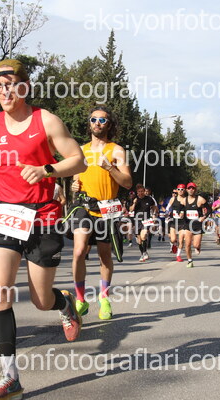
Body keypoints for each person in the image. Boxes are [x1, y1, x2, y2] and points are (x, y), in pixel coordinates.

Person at [0, 59, 86, 400]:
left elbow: (78, 160)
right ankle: (10, 377)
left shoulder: (46, 120)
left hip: (43, 216)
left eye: (11, 85)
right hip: (4, 213)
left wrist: (46, 170)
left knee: (40, 299)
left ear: (25, 86)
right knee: (0, 291)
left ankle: (64, 303)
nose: (4, 92)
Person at [68, 106, 132, 320]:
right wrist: (74, 186)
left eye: (102, 120)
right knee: (79, 251)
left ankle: (104, 297)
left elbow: (128, 182)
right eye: (93, 119)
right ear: (89, 123)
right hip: (84, 206)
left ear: (109, 124)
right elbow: (76, 178)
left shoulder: (116, 150)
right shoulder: (81, 150)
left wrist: (110, 168)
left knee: (105, 256)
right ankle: (80, 299)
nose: (97, 123)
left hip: (107, 209)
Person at [183, 182, 210, 268]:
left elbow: (209, 209)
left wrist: (204, 217)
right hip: (187, 225)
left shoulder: (200, 199)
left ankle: (198, 246)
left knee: (196, 245)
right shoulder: (184, 200)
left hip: (198, 225)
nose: (191, 190)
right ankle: (189, 261)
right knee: (187, 244)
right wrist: (180, 214)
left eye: (193, 188)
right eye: (189, 188)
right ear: (187, 190)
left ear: (195, 190)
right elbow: (179, 209)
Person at [130, 184, 158, 262]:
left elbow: (154, 207)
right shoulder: (135, 199)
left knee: (144, 235)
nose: (141, 193)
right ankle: (143, 253)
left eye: (142, 191)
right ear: (137, 192)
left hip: (146, 220)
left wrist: (154, 215)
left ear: (144, 191)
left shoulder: (149, 199)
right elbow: (131, 210)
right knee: (139, 240)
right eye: (139, 192)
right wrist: (134, 203)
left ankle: (144, 252)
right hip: (137, 220)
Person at [167, 184, 188, 262]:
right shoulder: (173, 199)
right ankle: (174, 244)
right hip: (174, 222)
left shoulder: (186, 200)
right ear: (176, 190)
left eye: (182, 189)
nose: (180, 191)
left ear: (184, 190)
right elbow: (167, 208)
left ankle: (178, 255)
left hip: (183, 223)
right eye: (179, 189)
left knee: (181, 240)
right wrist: (168, 213)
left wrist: (184, 213)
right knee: (173, 239)